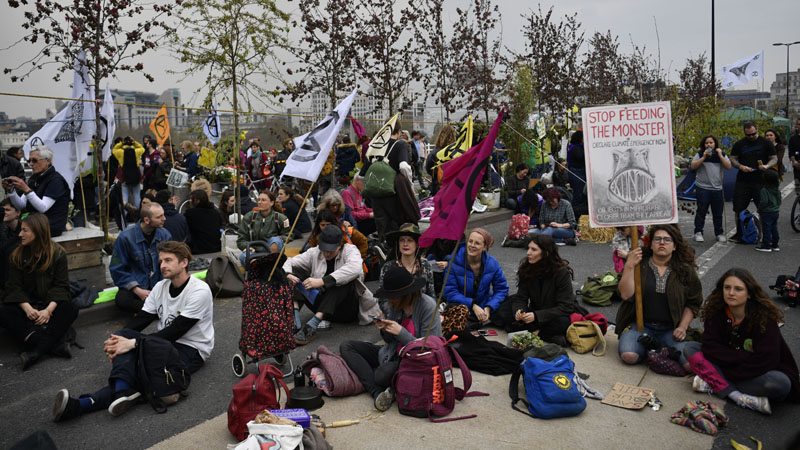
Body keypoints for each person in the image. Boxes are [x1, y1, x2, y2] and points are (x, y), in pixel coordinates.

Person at [52, 241, 214, 422]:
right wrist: (117, 339)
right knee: (125, 336)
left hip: (190, 349)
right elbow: (141, 319)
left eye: (168, 260)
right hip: (162, 344)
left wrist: (133, 344)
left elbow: (176, 330)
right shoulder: (160, 287)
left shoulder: (200, 291)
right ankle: (122, 392)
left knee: (142, 373)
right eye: (161, 261)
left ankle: (81, 405)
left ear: (184, 262)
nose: (162, 266)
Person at [683, 268, 800, 415]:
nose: (731, 293)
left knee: (780, 383)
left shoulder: (764, 318)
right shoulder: (716, 312)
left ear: (749, 293)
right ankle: (737, 396)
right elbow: (709, 346)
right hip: (735, 367)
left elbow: (767, 360)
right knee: (691, 348)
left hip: (756, 373)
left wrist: (724, 369)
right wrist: (740, 357)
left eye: (738, 289)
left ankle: (714, 382)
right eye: (727, 288)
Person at [340, 266, 441, 411]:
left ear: (405, 294)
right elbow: (389, 341)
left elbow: (429, 351)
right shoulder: (394, 305)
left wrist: (401, 332)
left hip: (414, 361)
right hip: (393, 352)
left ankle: (375, 384)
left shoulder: (428, 307)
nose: (389, 300)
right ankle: (377, 392)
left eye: (392, 296)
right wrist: (384, 328)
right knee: (347, 346)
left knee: (380, 375)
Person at [616, 224, 702, 370]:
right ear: (651, 244)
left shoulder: (685, 270)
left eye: (667, 240)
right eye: (657, 239)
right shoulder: (639, 265)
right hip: (642, 326)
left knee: (691, 365)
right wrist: (629, 266)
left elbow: (693, 303)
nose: (662, 243)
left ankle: (657, 349)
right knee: (629, 355)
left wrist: (682, 327)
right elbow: (625, 294)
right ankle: (655, 350)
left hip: (671, 329)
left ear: (674, 246)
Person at [0, 213, 78, 370]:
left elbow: (61, 286)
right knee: (5, 312)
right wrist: (27, 307)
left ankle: (35, 351)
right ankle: (55, 345)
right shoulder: (16, 254)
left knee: (71, 308)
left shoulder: (58, 253)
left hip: (48, 304)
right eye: (21, 230)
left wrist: (48, 310)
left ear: (38, 232)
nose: (20, 234)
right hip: (27, 305)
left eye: (25, 230)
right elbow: (13, 286)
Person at [284, 225, 379, 345]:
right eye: (324, 249)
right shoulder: (315, 251)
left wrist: (322, 281)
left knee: (345, 281)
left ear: (340, 245)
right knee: (293, 273)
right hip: (321, 303)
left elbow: (355, 268)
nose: (327, 253)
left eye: (331, 250)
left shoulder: (350, 250)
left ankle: (312, 325)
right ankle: (295, 320)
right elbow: (288, 261)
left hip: (346, 309)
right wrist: (288, 275)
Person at [509, 234, 586, 346]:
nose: (528, 253)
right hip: (535, 312)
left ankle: (540, 334)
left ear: (546, 253)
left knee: (562, 323)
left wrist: (536, 315)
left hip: (556, 314)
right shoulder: (527, 268)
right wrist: (520, 311)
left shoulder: (561, 273)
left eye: (534, 249)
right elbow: (521, 297)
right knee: (508, 309)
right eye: (529, 248)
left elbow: (566, 306)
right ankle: (547, 335)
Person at [110, 202, 172, 314]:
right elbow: (117, 269)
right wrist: (137, 290)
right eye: (159, 217)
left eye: (163, 215)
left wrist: (162, 287)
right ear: (147, 220)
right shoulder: (125, 237)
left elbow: (171, 263)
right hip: (137, 284)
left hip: (158, 283)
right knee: (122, 300)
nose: (164, 219)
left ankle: (151, 310)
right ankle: (157, 310)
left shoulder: (165, 235)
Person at [443, 228, 509, 328]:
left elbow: (502, 289)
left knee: (509, 307)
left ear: (485, 247)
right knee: (460, 317)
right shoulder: (454, 262)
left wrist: (489, 307)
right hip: (461, 305)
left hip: (484, 304)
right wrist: (472, 305)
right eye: (470, 241)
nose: (472, 246)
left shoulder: (492, 263)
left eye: (477, 243)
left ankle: (482, 319)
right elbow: (450, 292)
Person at [360, 120, 414, 239]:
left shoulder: (375, 146)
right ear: (399, 131)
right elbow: (404, 166)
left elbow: (362, 174)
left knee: (382, 228)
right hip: (394, 194)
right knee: (397, 226)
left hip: (375, 196)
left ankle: (384, 251)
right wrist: (409, 186)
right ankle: (395, 252)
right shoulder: (400, 145)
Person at [3, 146, 70, 237]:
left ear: (48, 161)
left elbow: (43, 207)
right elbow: (21, 205)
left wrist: (26, 189)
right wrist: (11, 191)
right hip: (36, 224)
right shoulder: (35, 178)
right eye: (29, 160)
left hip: (51, 227)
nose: (30, 164)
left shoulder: (56, 180)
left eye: (34, 160)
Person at [729, 121, 777, 243]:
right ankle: (740, 233)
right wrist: (740, 167)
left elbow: (774, 158)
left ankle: (764, 235)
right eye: (748, 135)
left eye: (753, 134)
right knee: (739, 208)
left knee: (763, 209)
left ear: (757, 130)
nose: (751, 137)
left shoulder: (765, 143)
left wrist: (767, 166)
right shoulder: (740, 144)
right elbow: (733, 158)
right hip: (743, 181)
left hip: (761, 181)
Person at [690, 135, 732, 243]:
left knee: (717, 212)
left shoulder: (721, 154)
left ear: (715, 144)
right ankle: (698, 231)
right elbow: (693, 166)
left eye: (711, 143)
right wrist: (703, 157)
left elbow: (728, 166)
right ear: (703, 145)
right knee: (701, 211)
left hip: (717, 188)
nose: (709, 145)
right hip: (703, 188)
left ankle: (719, 233)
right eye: (706, 143)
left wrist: (720, 155)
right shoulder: (700, 154)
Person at [380, 223, 435, 298]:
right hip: (395, 308)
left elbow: (431, 295)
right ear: (398, 244)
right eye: (402, 240)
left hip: (421, 308)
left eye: (410, 240)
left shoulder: (425, 265)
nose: (405, 244)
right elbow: (382, 299)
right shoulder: (388, 267)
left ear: (417, 244)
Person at [237, 190, 290, 265]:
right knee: (243, 257)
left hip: (272, 250)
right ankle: (258, 269)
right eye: (258, 200)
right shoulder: (249, 217)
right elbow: (241, 239)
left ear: (272, 203)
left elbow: (289, 235)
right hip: (254, 250)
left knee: (275, 240)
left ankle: (269, 264)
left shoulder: (280, 218)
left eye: (263, 200)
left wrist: (280, 238)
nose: (259, 202)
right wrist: (246, 247)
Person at [183, 189, 222, 254]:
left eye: (191, 199)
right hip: (216, 247)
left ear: (197, 201)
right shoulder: (215, 212)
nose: (190, 201)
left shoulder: (191, 214)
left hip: (198, 249)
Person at [112, 136, 145, 208]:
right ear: (132, 143)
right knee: (137, 197)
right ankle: (139, 214)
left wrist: (121, 143)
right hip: (136, 177)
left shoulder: (120, 152)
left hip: (124, 177)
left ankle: (124, 216)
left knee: (124, 198)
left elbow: (114, 149)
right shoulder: (137, 151)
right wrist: (135, 142)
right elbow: (142, 148)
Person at [425, 125, 457, 196]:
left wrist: (437, 174)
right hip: (453, 188)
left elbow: (428, 168)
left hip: (437, 188)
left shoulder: (434, 153)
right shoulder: (455, 153)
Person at [756, 169, 781, 252]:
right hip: (775, 211)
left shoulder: (764, 190)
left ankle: (766, 245)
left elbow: (764, 202)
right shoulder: (776, 189)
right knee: (774, 228)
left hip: (766, 212)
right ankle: (775, 244)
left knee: (766, 229)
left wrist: (759, 209)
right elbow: (779, 200)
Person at [0, 199, 22, 291]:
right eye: (2, 210)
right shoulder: (3, 228)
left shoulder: (25, 230)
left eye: (7, 210)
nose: (4, 213)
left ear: (18, 213)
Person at [566, 130, 586, 211]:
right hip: (576, 173)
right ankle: (575, 210)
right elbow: (581, 157)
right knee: (579, 193)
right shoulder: (575, 148)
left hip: (578, 172)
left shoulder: (574, 147)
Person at [789, 118, 800, 195]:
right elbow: (791, 151)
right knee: (798, 189)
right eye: (799, 124)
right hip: (797, 167)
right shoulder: (793, 138)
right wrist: (793, 161)